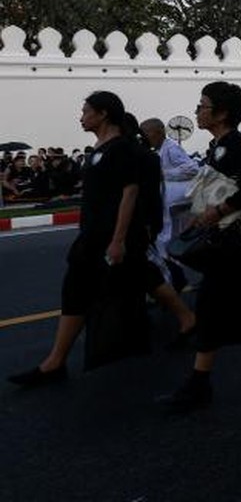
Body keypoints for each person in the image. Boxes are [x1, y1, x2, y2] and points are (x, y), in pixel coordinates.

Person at [158, 81, 241, 413]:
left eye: (203, 106)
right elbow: (218, 189)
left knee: (209, 305)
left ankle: (199, 382)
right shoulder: (220, 145)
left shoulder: (235, 144)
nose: (198, 111)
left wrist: (216, 212)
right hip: (232, 238)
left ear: (221, 113)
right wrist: (199, 216)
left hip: (234, 241)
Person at [8, 92, 145, 388]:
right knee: (80, 292)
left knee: (106, 292)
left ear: (103, 114)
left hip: (107, 237)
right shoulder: (98, 148)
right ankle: (56, 361)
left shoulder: (121, 148)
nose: (81, 116)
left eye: (86, 111)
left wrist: (118, 239)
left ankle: (62, 362)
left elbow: (129, 193)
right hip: (91, 235)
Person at [139, 118, 200, 291]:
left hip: (175, 201)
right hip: (169, 202)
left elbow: (192, 168)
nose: (143, 137)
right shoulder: (158, 150)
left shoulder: (171, 148)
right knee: (168, 239)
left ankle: (171, 280)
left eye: (146, 133)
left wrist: (163, 174)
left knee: (165, 239)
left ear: (158, 132)